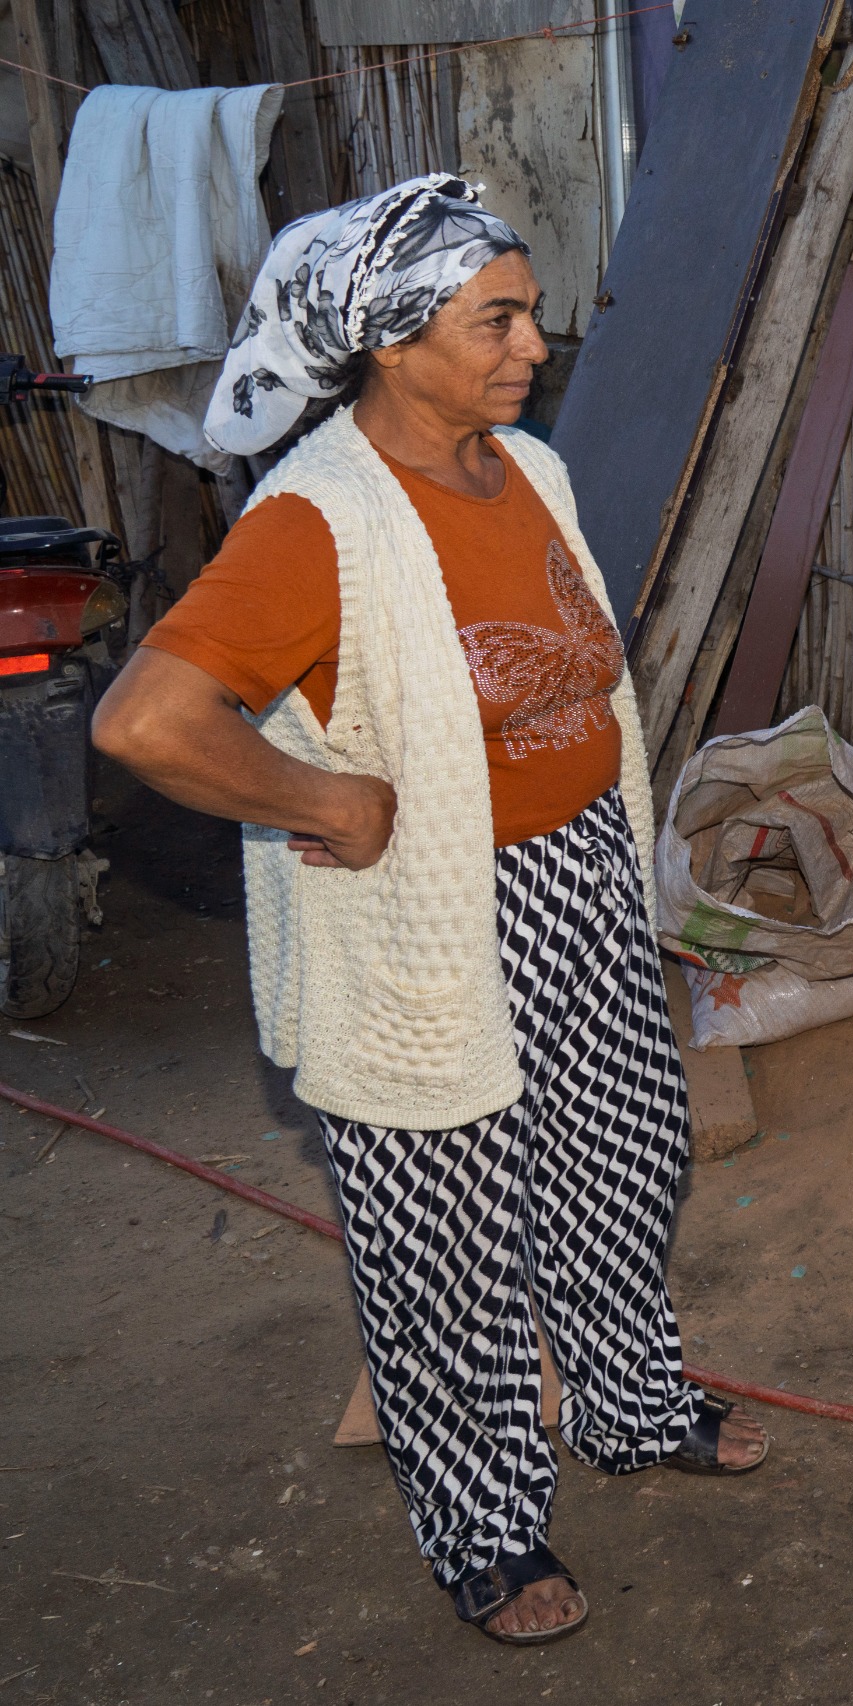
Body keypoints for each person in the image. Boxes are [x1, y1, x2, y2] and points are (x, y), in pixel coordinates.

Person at [91, 175, 766, 1646]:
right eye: (498, 318)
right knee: (441, 1233)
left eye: (529, 310)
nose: (535, 341)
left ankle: (633, 1404)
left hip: (578, 870)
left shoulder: (525, 468)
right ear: (394, 345)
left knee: (623, 1153)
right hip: (432, 912)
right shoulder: (315, 522)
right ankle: (483, 1519)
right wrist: (322, 801)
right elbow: (145, 721)